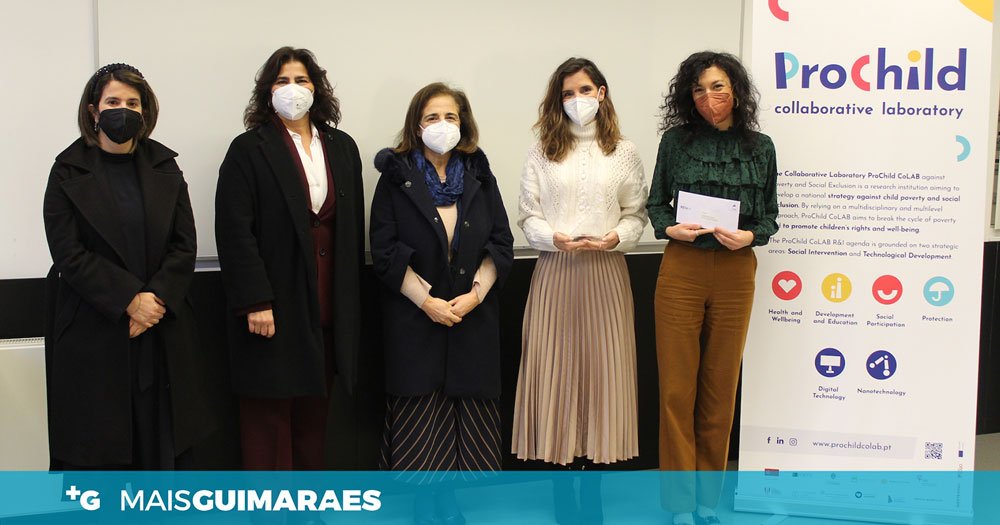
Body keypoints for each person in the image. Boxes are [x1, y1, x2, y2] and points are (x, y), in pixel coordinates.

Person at [43, 63, 217, 469]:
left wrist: (154, 301)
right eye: (113, 102)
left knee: (163, 448)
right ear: (93, 110)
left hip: (160, 328)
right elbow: (68, 252)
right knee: (97, 454)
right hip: (95, 327)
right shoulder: (67, 169)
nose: (123, 110)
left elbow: (184, 244)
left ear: (145, 110)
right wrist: (129, 300)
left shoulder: (165, 165)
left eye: (133, 103)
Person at [215, 47, 365, 474]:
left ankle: (307, 504)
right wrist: (255, 301)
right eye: (282, 81)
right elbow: (234, 230)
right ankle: (270, 506)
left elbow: (351, 227)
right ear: (268, 91)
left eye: (301, 80)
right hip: (272, 309)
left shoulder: (342, 146)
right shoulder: (248, 149)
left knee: (314, 421)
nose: (292, 89)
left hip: (328, 308)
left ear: (317, 88)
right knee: (268, 422)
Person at [370, 82, 514, 524]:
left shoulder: (479, 175)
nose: (442, 125)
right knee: (422, 409)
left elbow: (501, 242)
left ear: (463, 123)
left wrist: (475, 295)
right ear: (417, 125)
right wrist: (427, 301)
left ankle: (450, 501)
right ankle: (423, 502)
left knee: (464, 410)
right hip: (416, 317)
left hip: (471, 316)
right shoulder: (396, 177)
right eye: (432, 117)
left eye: (450, 116)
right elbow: (384, 250)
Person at [512, 57, 647, 522]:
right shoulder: (541, 150)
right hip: (556, 270)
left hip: (606, 273)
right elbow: (528, 214)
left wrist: (615, 237)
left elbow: (636, 214)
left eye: (585, 90)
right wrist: (552, 238)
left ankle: (593, 489)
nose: (577, 99)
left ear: (601, 93)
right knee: (556, 373)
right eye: (567, 93)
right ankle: (560, 487)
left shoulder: (624, 151)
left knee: (603, 376)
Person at [646, 51, 779, 525]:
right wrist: (669, 228)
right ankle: (680, 503)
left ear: (736, 91)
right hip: (682, 267)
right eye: (699, 89)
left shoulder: (761, 147)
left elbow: (769, 217)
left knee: (720, 388)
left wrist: (750, 236)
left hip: (736, 272)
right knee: (676, 390)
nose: (708, 97)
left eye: (718, 87)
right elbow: (656, 204)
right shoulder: (675, 142)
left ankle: (707, 499)